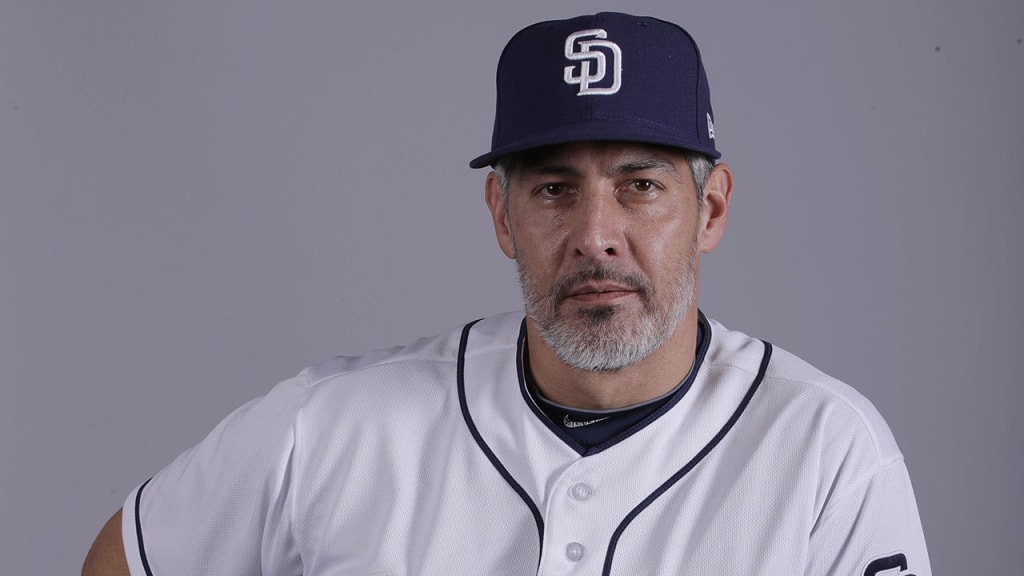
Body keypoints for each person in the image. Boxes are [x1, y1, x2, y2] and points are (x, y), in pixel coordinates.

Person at [83, 12, 931, 576]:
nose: (595, 234)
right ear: (502, 213)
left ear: (709, 210)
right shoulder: (331, 427)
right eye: (554, 189)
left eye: (639, 186)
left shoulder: (826, 451)